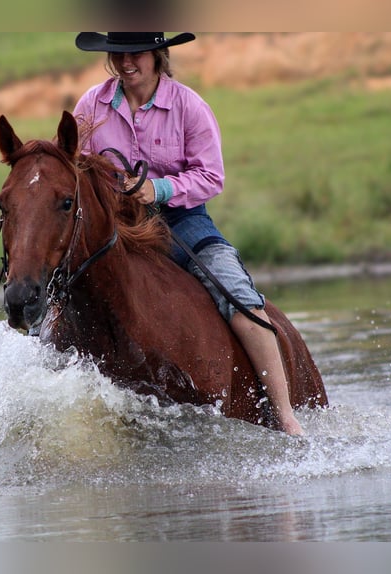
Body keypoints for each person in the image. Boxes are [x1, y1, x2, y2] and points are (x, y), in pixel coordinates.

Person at [73, 32, 304, 435]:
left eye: (138, 54)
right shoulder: (90, 106)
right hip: (115, 225)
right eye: (119, 54)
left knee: (236, 293)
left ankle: (284, 415)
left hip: (181, 220)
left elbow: (211, 176)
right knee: (62, 288)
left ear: (158, 55)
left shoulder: (189, 106)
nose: (127, 63)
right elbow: (74, 167)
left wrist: (158, 189)